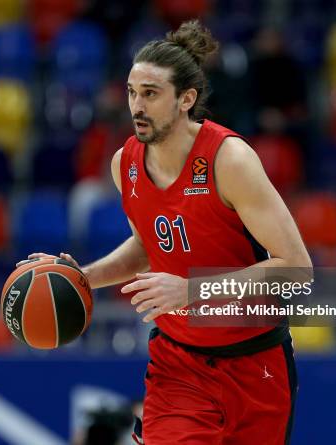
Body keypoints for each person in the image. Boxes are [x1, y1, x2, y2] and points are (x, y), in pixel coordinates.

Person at [20, 20, 311, 445]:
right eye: (132, 92)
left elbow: (297, 268)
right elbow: (148, 246)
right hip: (178, 364)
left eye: (151, 94)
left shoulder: (229, 161)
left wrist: (191, 290)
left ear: (185, 100)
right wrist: (81, 277)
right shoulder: (126, 164)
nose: (136, 105)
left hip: (255, 360)